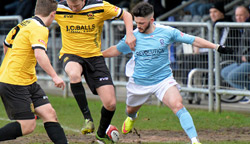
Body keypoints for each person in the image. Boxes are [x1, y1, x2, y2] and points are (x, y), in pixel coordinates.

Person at [102, 2, 233, 144]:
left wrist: (216, 46)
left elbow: (193, 40)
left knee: (178, 104)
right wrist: (96, 55)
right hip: (139, 82)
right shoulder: (132, 36)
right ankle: (132, 117)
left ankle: (195, 141)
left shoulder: (167, 31)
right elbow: (116, 49)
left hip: (163, 80)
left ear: (151, 20)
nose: (138, 26)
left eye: (141, 23)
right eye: (136, 22)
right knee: (130, 110)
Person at [55, 0, 136, 143]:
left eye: (77, 5)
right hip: (70, 54)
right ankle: (88, 119)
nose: (73, 8)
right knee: (74, 74)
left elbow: (127, 15)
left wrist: (129, 34)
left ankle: (100, 134)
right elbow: (40, 17)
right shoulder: (58, 8)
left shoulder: (99, 6)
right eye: (70, 5)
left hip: (94, 58)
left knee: (110, 104)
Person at [0, 0, 68, 143]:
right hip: (14, 82)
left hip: (27, 80)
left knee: (49, 113)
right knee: (27, 126)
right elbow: (39, 54)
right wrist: (55, 76)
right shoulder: (40, 28)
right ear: (53, 14)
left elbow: (6, 45)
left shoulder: (24, 23)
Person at [221, 5, 250, 104]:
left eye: (241, 15)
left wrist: (247, 56)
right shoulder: (241, 28)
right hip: (241, 61)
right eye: (237, 15)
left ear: (248, 15)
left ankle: (247, 94)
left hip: (248, 60)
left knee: (233, 76)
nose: (238, 18)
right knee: (224, 72)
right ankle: (245, 93)